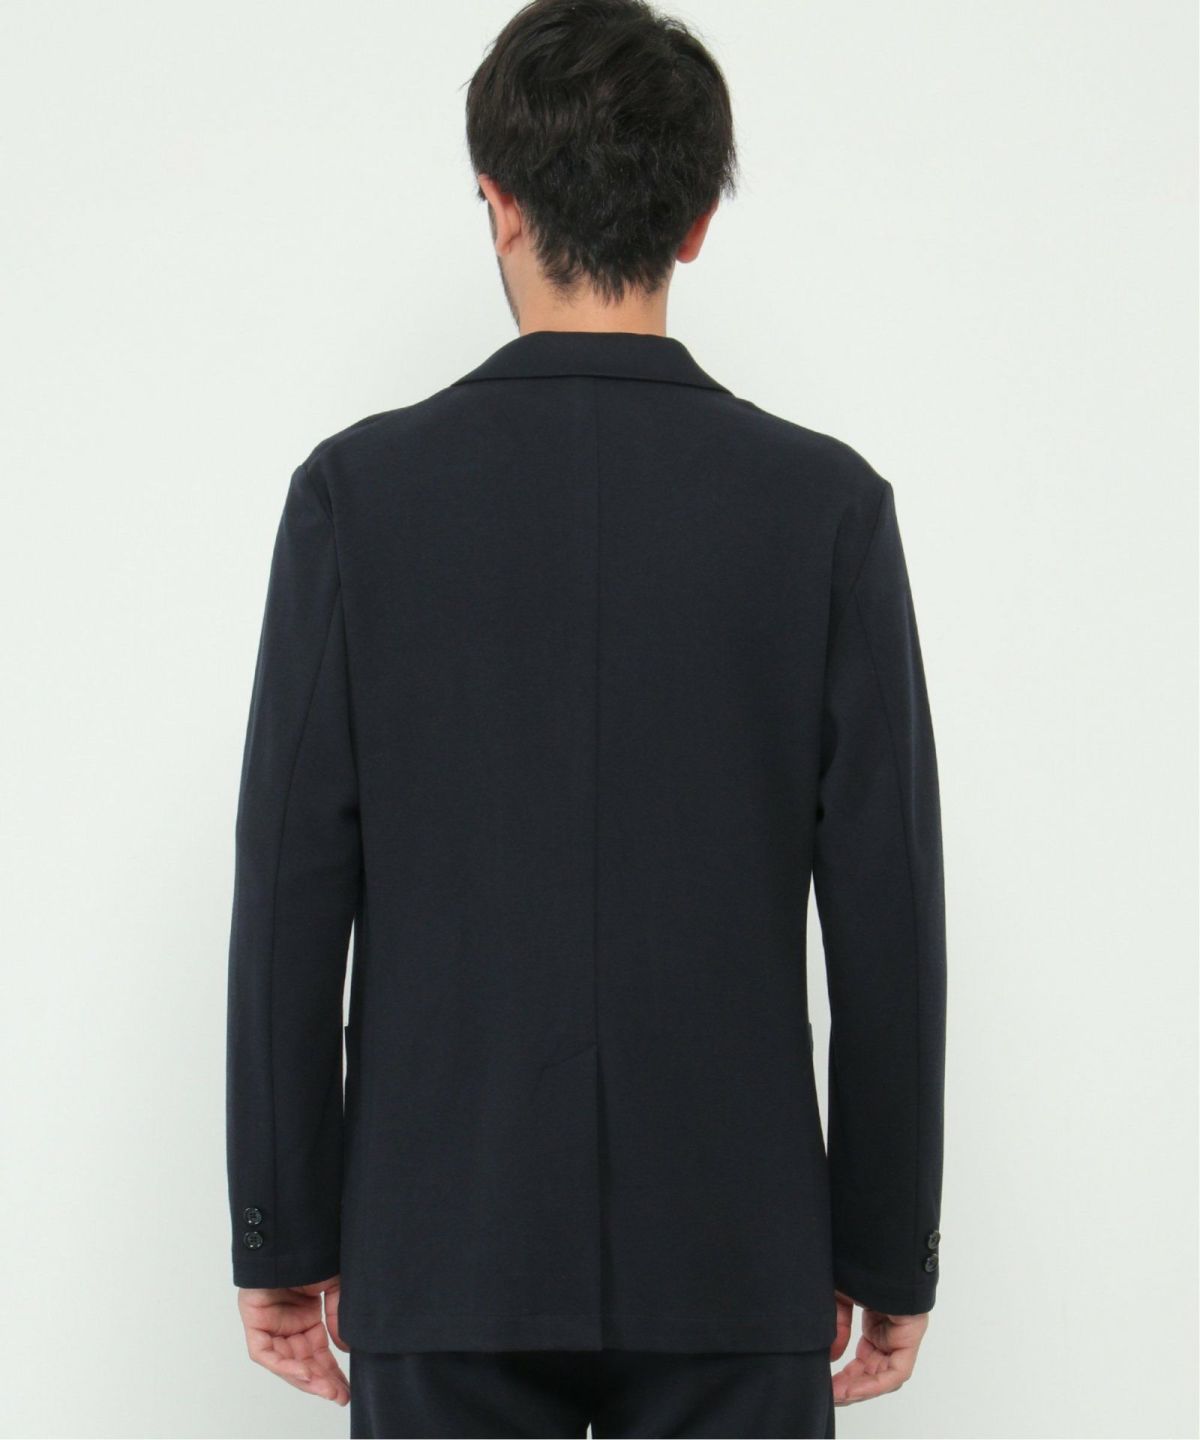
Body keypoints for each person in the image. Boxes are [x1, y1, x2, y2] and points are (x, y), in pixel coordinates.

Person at [224, 1, 947, 1434]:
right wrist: (887, 1249)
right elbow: (889, 919)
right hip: (736, 1250)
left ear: (496, 202)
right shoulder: (825, 510)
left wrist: (281, 1232)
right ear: (697, 222)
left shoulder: (358, 500)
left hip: (443, 1242)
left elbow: (292, 888)